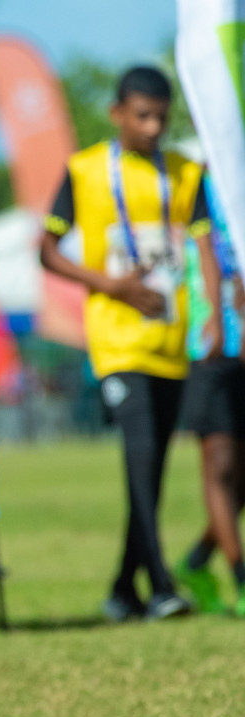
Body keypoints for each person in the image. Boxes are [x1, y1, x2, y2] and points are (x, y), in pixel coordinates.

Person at [39, 66, 221, 622]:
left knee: (154, 465)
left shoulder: (187, 173)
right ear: (117, 112)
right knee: (139, 456)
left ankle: (123, 589)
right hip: (117, 340)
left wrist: (212, 314)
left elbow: (205, 246)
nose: (152, 126)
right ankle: (162, 584)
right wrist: (110, 285)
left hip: (171, 337)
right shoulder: (85, 171)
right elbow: (46, 249)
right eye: (141, 115)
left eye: (161, 117)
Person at [173, 175, 245, 616]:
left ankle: (198, 560)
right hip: (212, 346)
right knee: (220, 463)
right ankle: (240, 579)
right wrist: (217, 316)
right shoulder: (202, 180)